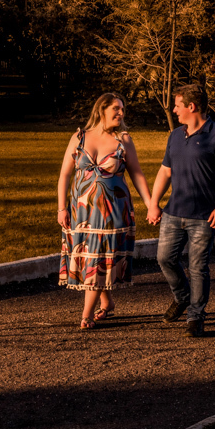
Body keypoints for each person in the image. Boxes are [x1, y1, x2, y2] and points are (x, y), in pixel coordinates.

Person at [146, 83, 215, 338]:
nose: (173, 109)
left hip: (204, 216)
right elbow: (165, 171)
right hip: (173, 212)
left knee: (198, 267)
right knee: (164, 259)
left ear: (191, 106)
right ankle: (183, 296)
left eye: (177, 105)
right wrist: (154, 204)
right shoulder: (175, 136)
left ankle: (196, 316)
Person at [57, 93, 156, 329]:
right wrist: (61, 208)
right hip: (81, 212)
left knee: (98, 259)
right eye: (116, 109)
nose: (121, 113)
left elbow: (137, 174)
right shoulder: (79, 137)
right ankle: (107, 302)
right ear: (101, 110)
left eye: (122, 109)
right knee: (91, 258)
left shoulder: (123, 140)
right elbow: (64, 175)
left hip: (113, 213)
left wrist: (151, 204)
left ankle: (86, 314)